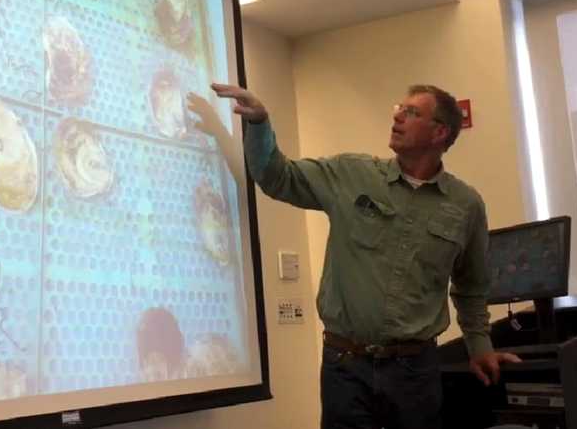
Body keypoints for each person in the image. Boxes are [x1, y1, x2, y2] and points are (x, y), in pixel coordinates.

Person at [210, 82, 521, 429]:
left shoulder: (466, 205)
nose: (398, 117)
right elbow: (276, 176)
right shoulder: (351, 174)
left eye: (412, 112)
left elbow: (471, 285)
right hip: (345, 368)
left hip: (415, 372)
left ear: (439, 132)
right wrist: (259, 123)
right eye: (398, 109)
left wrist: (480, 346)